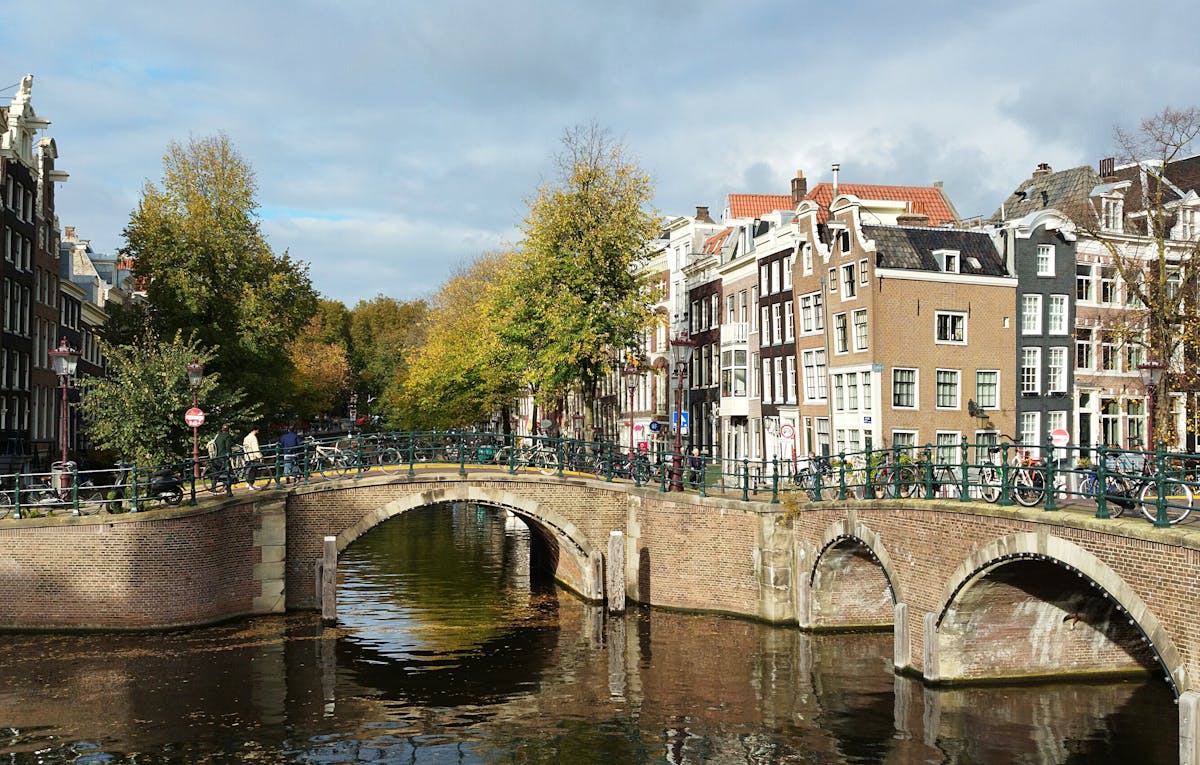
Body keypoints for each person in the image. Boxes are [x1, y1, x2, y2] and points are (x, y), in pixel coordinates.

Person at [212, 423, 235, 493]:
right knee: (229, 472)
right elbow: (228, 447)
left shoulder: (218, 436)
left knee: (217, 473)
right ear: (228, 430)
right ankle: (228, 490)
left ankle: (213, 487)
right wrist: (230, 455)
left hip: (217, 457)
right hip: (224, 457)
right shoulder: (227, 436)